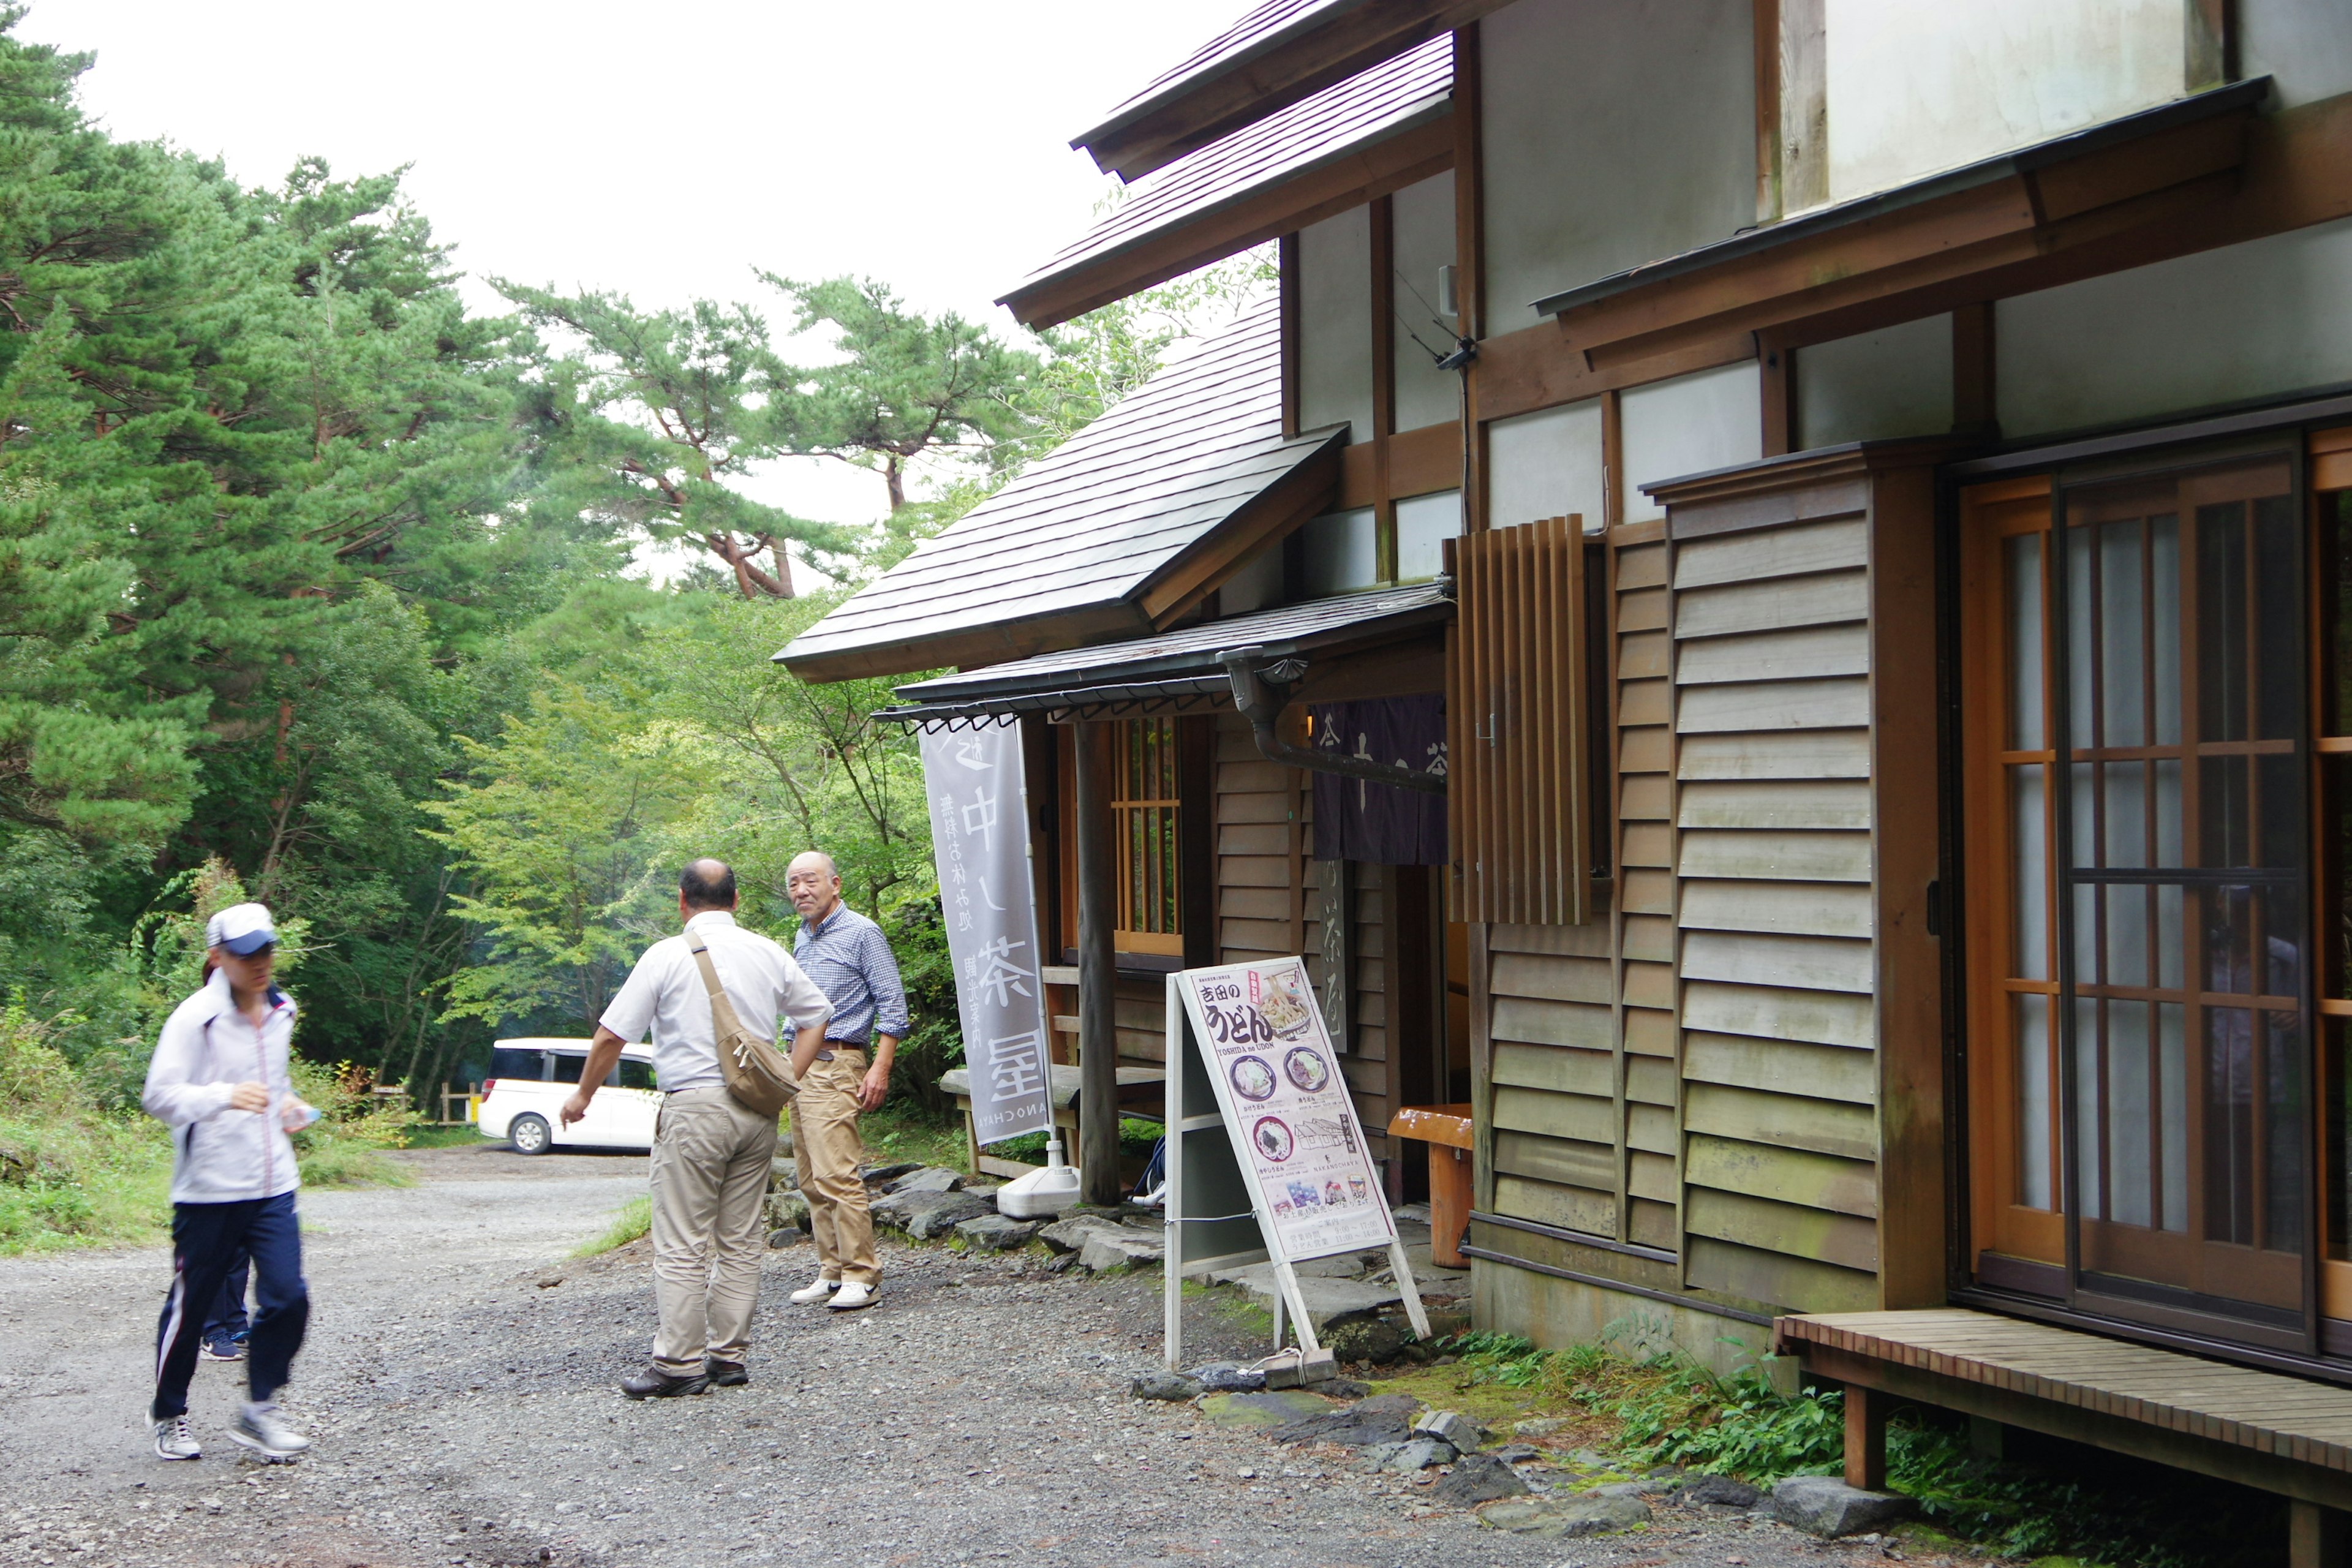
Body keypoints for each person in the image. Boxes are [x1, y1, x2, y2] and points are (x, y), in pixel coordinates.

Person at [564, 858, 832, 1398]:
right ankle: (728, 1358)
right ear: (736, 901)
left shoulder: (665, 955)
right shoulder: (766, 951)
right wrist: (784, 1080)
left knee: (684, 1242)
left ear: (683, 903)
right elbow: (818, 1015)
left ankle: (678, 1365)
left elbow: (614, 1035)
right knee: (739, 1240)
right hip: (755, 1111)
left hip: (693, 1110)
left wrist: (583, 1094)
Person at [142, 902, 317, 1462]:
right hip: (210, 1191)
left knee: (288, 1297)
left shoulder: (284, 1008)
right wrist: (222, 1096)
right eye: (247, 955)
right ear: (218, 958)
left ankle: (260, 1411)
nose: (261, 963)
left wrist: (288, 1105)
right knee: (191, 1311)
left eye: (266, 950)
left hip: (273, 1184)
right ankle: (169, 1414)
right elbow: (159, 1097)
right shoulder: (195, 1018)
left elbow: (275, 1083)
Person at [783, 850, 908, 1314]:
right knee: (810, 1177)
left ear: (835, 884)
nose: (802, 891)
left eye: (811, 881)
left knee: (838, 1174)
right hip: (798, 1064)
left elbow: (893, 1004)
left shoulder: (862, 932)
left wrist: (880, 1067)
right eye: (794, 883)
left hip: (838, 1062)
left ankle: (862, 1275)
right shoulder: (803, 936)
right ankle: (832, 1270)